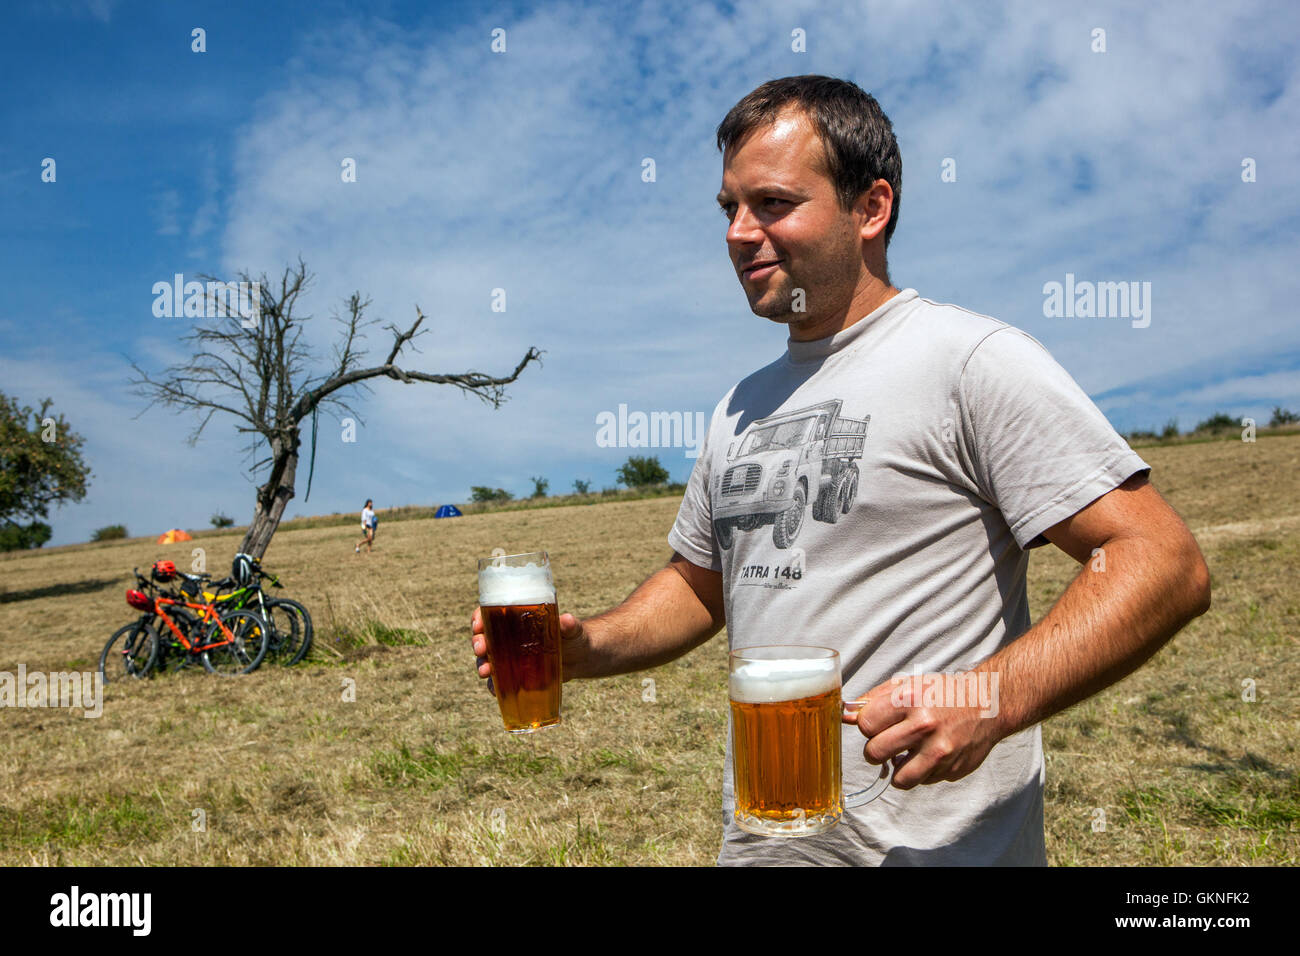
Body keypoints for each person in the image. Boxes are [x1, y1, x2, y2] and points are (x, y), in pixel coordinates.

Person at [470, 75, 1210, 866]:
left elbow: (1161, 561)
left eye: (773, 204)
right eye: (729, 209)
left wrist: (988, 698)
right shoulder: (741, 406)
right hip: (765, 845)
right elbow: (699, 585)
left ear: (871, 208)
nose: (738, 233)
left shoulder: (967, 362)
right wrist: (591, 647)